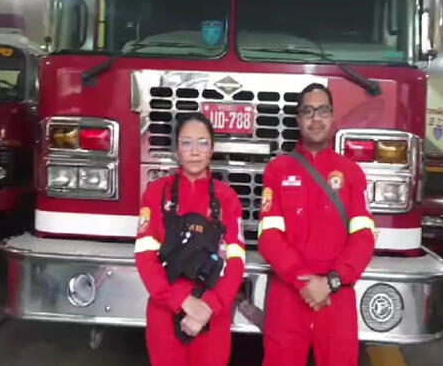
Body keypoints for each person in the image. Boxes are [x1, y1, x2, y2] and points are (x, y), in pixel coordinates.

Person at [258, 83, 375, 366]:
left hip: (337, 295)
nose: (316, 118)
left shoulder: (351, 173)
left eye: (322, 110)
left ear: (332, 116)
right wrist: (303, 281)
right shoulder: (278, 170)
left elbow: (364, 238)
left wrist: (332, 281)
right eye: (308, 112)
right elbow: (269, 237)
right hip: (289, 295)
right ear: (298, 120)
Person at [135, 113, 246, 366]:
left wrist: (209, 307)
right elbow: (145, 258)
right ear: (176, 149)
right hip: (165, 313)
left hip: (212, 317)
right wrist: (182, 301)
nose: (194, 151)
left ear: (212, 149)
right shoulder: (155, 194)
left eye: (202, 143)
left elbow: (236, 263)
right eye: (186, 143)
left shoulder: (227, 198)